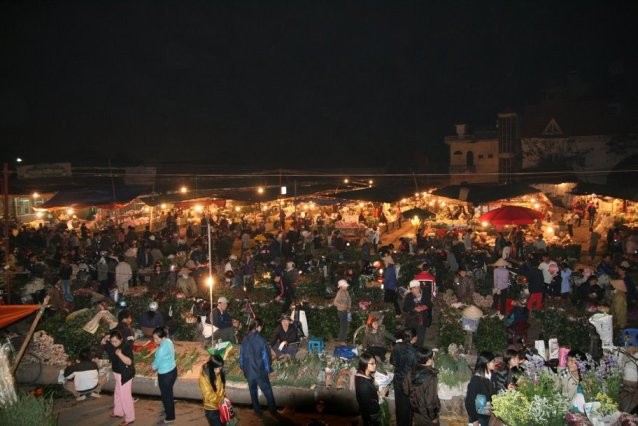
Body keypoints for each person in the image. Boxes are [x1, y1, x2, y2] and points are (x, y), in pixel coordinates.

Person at [240, 318, 278, 417]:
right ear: (259, 327)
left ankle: (257, 411)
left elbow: (241, 356)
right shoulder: (261, 340)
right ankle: (273, 410)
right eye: (261, 327)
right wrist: (268, 369)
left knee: (253, 391)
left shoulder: (245, 338)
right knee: (267, 390)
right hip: (259, 370)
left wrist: (243, 368)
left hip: (248, 370)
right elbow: (266, 357)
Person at [101, 329, 135, 425]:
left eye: (116, 341)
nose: (114, 343)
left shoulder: (126, 347)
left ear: (121, 339)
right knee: (118, 393)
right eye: (112, 341)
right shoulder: (112, 345)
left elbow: (129, 362)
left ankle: (130, 418)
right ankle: (118, 412)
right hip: (117, 374)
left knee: (125, 396)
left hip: (125, 374)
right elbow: (103, 343)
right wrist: (106, 338)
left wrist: (120, 354)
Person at [403, 347, 440, 426]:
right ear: (428, 361)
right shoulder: (431, 377)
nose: (433, 359)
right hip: (427, 414)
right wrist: (433, 417)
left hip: (416, 411)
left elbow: (405, 390)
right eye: (431, 357)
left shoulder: (410, 372)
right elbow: (430, 402)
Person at [390, 329, 418, 426]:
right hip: (408, 382)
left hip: (397, 379)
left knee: (399, 404)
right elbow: (416, 369)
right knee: (408, 406)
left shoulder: (397, 346)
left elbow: (392, 362)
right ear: (413, 339)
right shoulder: (414, 352)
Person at [355, 352, 388, 426]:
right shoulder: (363, 385)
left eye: (375, 363)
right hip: (371, 414)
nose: (375, 365)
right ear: (364, 364)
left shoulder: (362, 373)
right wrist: (381, 395)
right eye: (372, 363)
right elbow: (366, 405)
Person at [152, 327, 177, 424]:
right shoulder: (168, 341)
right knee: (169, 393)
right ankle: (168, 409)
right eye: (154, 338)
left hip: (165, 375)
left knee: (166, 396)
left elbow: (155, 366)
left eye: (156, 339)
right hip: (173, 371)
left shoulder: (160, 350)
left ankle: (170, 416)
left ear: (162, 338)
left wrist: (152, 366)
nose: (155, 341)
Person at [465, 351, 496, 426]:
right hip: (479, 417)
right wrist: (474, 420)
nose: (495, 363)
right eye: (493, 361)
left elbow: (494, 393)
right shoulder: (476, 379)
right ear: (487, 363)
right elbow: (469, 401)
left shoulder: (493, 376)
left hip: (488, 414)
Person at [199, 354, 227, 426]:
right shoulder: (204, 377)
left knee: (224, 423)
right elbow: (209, 395)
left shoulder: (218, 371)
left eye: (220, 368)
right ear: (211, 367)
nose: (218, 371)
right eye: (216, 369)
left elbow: (221, 386)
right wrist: (220, 399)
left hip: (221, 406)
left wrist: (224, 395)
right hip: (212, 408)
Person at [403, 280, 430, 347]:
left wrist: (425, 306)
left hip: (422, 320)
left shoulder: (424, 294)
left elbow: (430, 304)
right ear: (411, 289)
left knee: (421, 338)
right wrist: (414, 308)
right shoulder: (409, 296)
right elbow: (405, 308)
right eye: (414, 288)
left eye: (417, 287)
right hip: (412, 320)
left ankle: (419, 352)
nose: (416, 290)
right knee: (412, 338)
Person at [333, 279, 352, 345]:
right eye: (345, 286)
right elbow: (335, 302)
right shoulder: (339, 292)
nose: (346, 287)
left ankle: (343, 339)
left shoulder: (346, 292)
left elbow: (349, 299)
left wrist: (349, 306)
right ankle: (341, 341)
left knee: (346, 326)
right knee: (343, 326)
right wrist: (342, 305)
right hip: (341, 312)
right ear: (341, 286)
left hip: (346, 311)